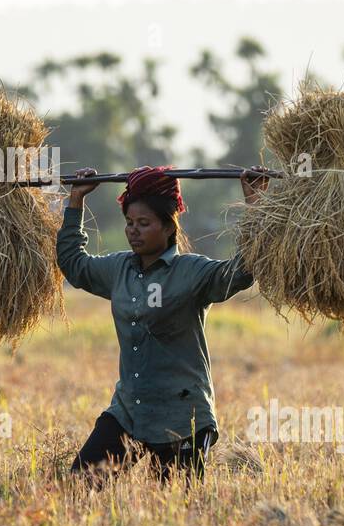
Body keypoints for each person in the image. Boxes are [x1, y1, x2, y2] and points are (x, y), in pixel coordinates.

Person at [57, 164, 269, 485]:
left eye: (144, 223)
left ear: (169, 227)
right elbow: (75, 265)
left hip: (182, 417)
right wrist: (75, 202)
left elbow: (241, 272)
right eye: (129, 222)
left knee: (174, 510)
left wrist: (256, 206)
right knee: (77, 486)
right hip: (130, 410)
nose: (133, 231)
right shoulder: (119, 270)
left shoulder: (192, 272)